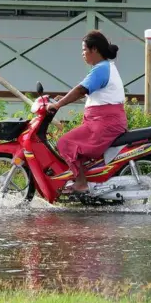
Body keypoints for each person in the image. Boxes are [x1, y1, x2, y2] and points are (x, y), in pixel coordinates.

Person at [47, 30, 127, 194]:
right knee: (77, 150)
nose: (82, 54)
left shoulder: (101, 69)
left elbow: (81, 89)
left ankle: (81, 183)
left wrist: (59, 104)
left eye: (84, 50)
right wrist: (64, 98)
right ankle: (85, 180)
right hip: (103, 122)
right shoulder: (106, 67)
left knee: (65, 143)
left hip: (104, 124)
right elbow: (96, 97)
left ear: (94, 49)